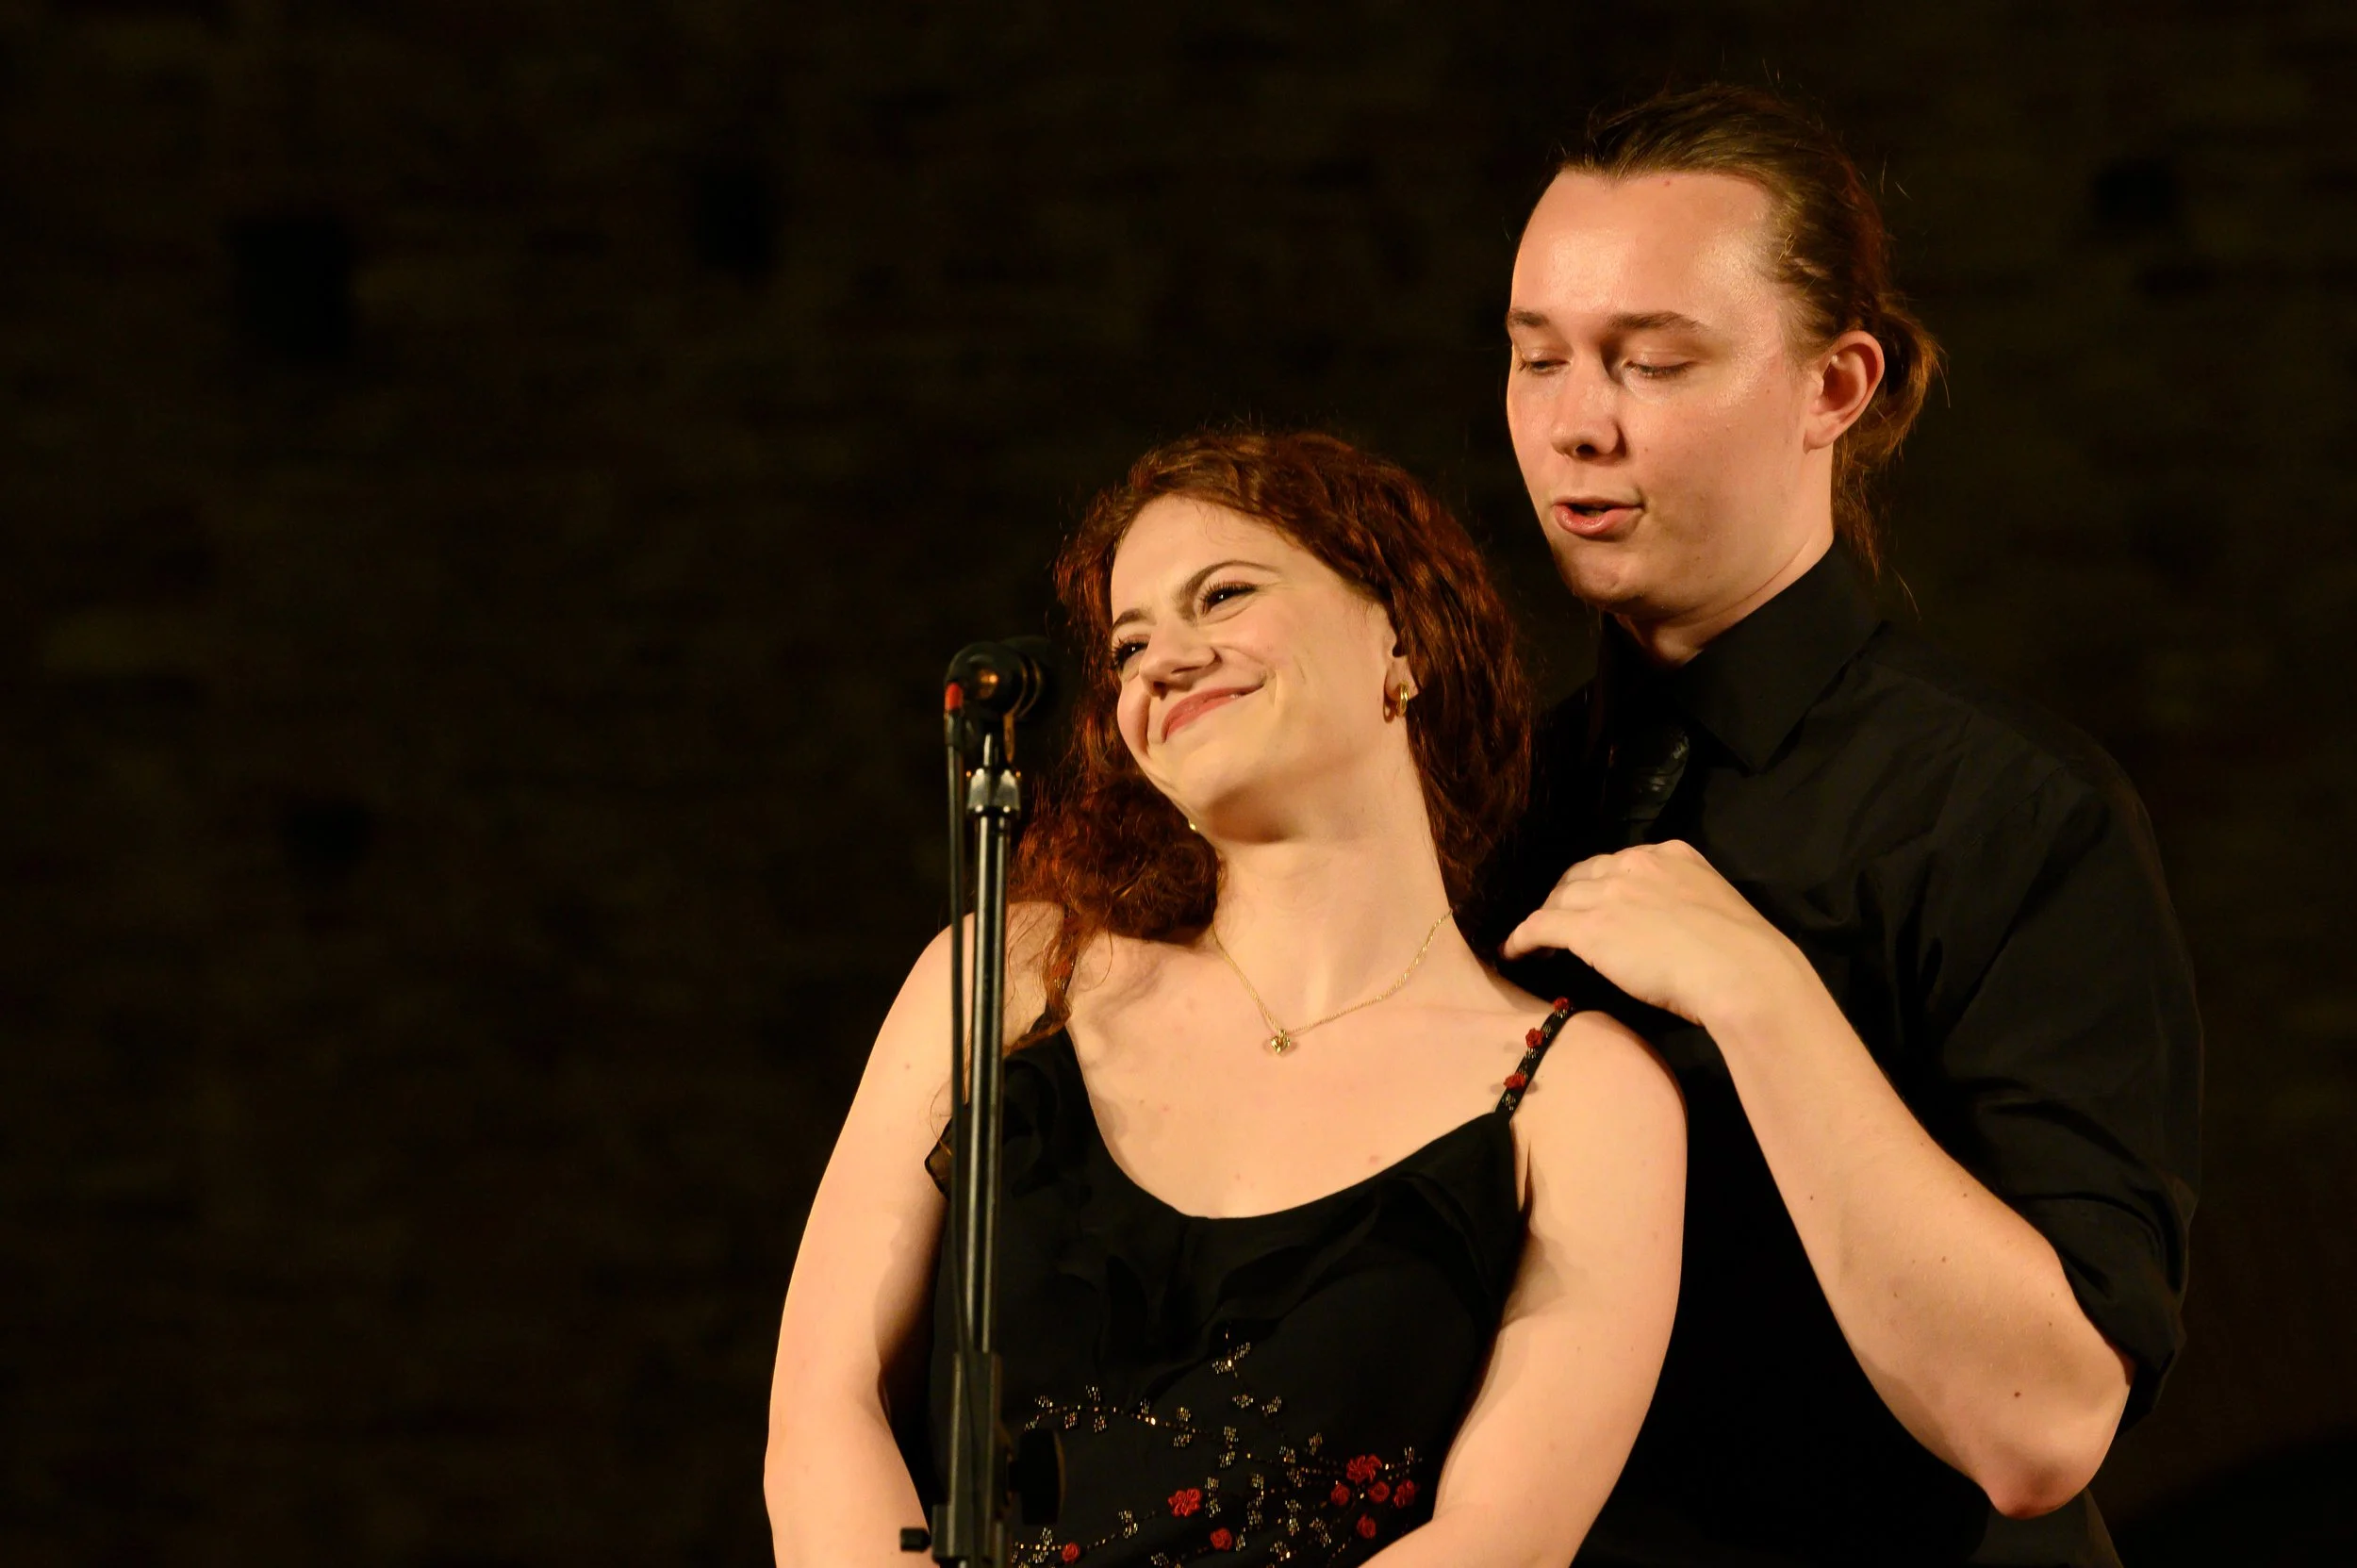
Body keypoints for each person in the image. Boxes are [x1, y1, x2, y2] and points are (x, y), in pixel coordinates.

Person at [1476, 86, 2201, 1567]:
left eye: (1652, 361)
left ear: (1835, 385)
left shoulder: (2012, 811)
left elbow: (2041, 1425)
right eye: (1537, 355)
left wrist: (1759, 989)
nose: (1574, 423)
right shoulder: (1491, 799)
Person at [765, 430, 1687, 1567]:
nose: (1162, 661)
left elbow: (1503, 1535)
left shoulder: (1579, 1092)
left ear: (1399, 636)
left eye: (1223, 595)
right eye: (1129, 645)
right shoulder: (1011, 972)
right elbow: (824, 1407)